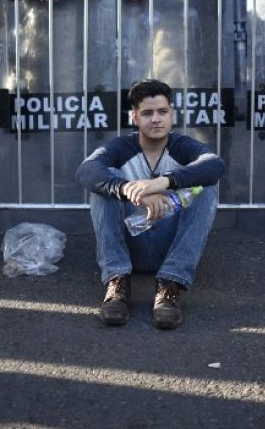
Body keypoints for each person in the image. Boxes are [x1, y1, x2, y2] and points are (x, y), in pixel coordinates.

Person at [75, 78, 225, 329]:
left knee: (207, 186)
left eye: (162, 112)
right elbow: (86, 171)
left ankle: (170, 284)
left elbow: (215, 164)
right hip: (130, 244)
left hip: (171, 247)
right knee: (103, 188)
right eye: (147, 113)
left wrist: (161, 183)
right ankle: (117, 282)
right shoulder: (122, 147)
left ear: (171, 114)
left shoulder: (182, 145)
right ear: (135, 117)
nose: (156, 119)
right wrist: (128, 190)